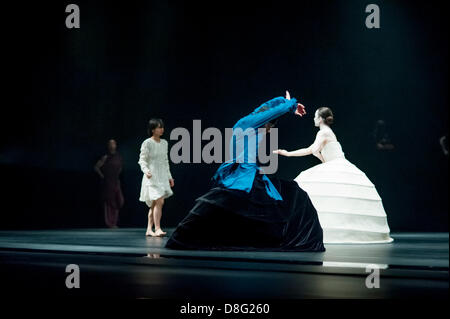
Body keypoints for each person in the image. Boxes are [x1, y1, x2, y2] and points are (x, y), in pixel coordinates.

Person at [165, 91, 325, 251]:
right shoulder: (251, 123)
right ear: (266, 122)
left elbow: (265, 108)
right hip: (243, 176)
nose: (269, 131)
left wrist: (286, 103)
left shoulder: (250, 121)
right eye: (270, 127)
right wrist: (291, 105)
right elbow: (271, 111)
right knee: (290, 198)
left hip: (247, 174)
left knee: (288, 196)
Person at [274, 107, 394, 243]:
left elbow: (312, 150)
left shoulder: (324, 132)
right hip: (335, 164)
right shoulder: (326, 132)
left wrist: (290, 153)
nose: (313, 119)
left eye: (315, 116)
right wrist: (288, 153)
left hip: (335, 164)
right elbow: (313, 150)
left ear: (320, 119)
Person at [138, 118, 174, 237]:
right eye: (159, 127)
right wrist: (146, 171)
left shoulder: (164, 143)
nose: (162, 129)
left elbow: (165, 161)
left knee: (155, 204)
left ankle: (149, 229)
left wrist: (170, 177)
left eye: (162, 127)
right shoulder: (147, 143)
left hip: (162, 176)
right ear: (153, 129)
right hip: (152, 176)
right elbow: (142, 160)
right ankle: (157, 228)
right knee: (159, 201)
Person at [94, 139, 124, 228]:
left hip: (116, 181)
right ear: (108, 146)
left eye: (114, 143)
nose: (112, 145)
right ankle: (110, 223)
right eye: (110, 144)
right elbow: (96, 167)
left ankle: (114, 222)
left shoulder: (118, 157)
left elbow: (120, 167)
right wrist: (103, 176)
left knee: (119, 201)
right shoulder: (105, 157)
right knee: (109, 202)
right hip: (108, 182)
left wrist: (117, 175)